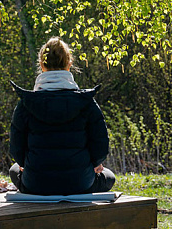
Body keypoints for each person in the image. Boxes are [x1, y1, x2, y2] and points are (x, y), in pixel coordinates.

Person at [8, 37, 116, 195]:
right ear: (69, 64)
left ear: (42, 65)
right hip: (80, 183)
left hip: (37, 185)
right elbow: (100, 144)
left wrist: (26, 164)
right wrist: (95, 164)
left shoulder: (26, 103)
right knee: (109, 176)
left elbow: (16, 147)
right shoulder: (86, 102)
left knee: (13, 170)